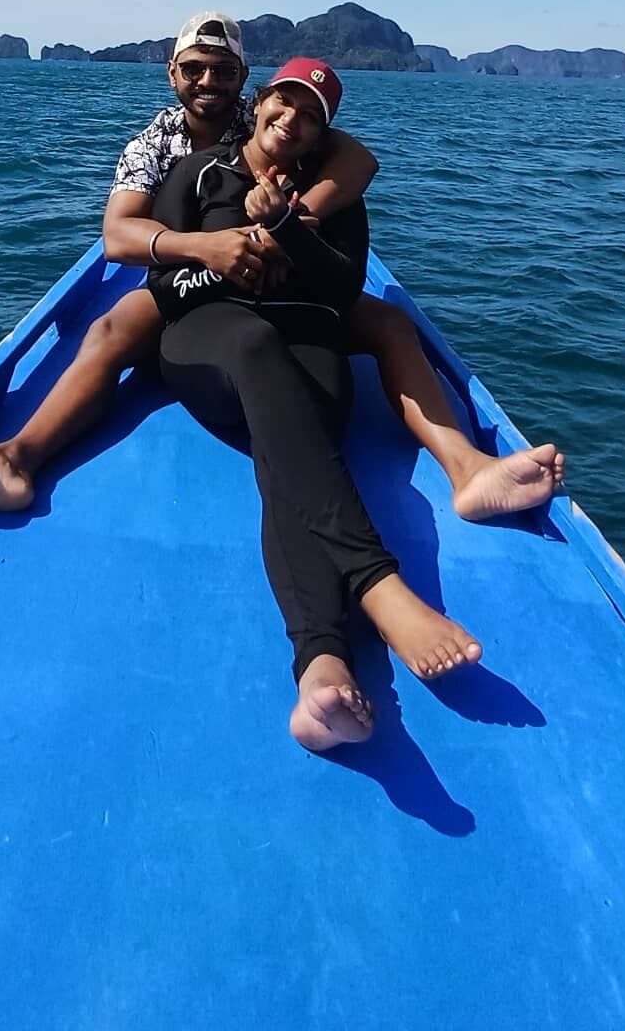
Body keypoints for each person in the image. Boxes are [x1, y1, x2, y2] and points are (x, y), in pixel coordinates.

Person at [0, 10, 565, 517]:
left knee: (392, 326)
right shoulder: (156, 144)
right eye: (194, 69)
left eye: (223, 71)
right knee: (112, 328)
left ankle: (467, 469)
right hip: (197, 283)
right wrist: (206, 248)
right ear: (172, 73)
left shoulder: (270, 120)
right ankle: (16, 460)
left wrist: (293, 222)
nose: (208, 83)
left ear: (244, 82)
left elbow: (359, 161)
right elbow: (117, 237)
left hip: (283, 282)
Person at [149, 57, 479, 753]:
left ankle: (322, 671)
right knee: (257, 348)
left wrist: (291, 229)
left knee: (299, 445)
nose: (292, 121)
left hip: (308, 339)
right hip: (211, 335)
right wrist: (226, 262)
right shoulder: (199, 174)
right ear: (262, 100)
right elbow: (160, 288)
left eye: (312, 117)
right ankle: (380, 586)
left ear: (322, 134)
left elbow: (340, 290)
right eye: (285, 103)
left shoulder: (334, 196)